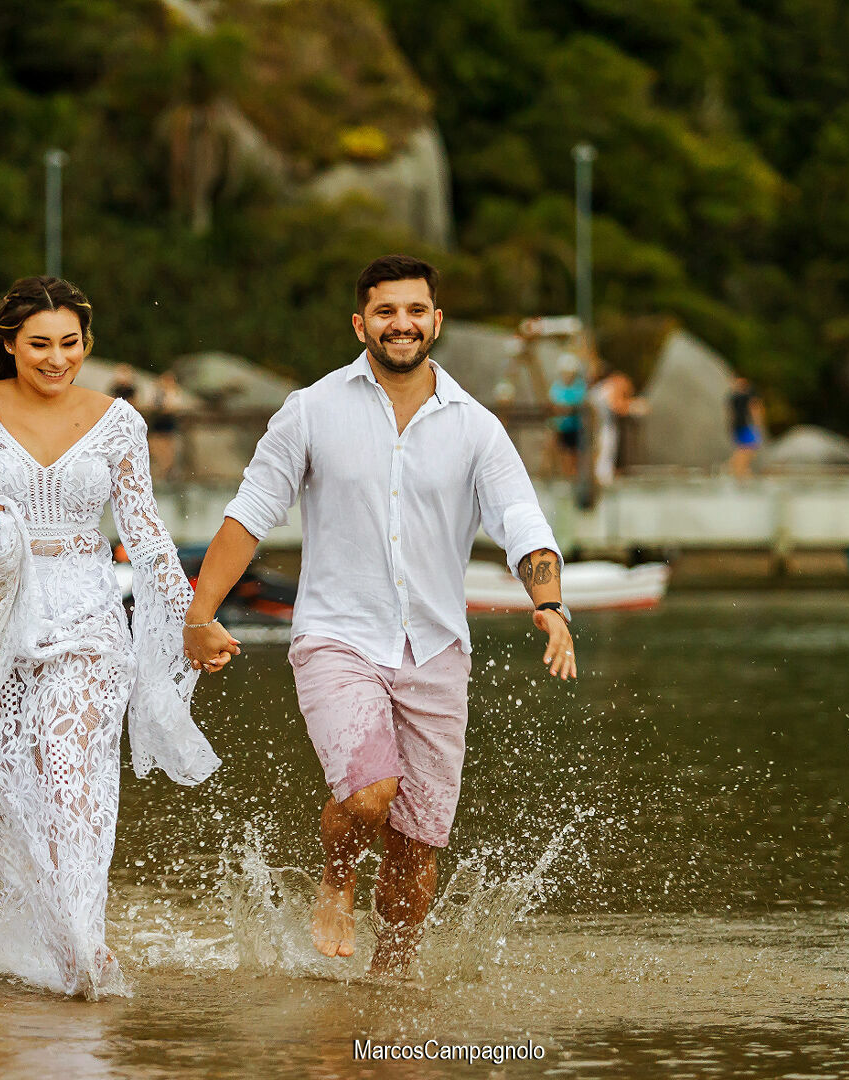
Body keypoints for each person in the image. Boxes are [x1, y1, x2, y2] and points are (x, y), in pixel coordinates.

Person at [184, 255, 576, 977]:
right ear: (361, 323)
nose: (403, 323)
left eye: (416, 310)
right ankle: (336, 881)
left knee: (416, 844)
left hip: (435, 650)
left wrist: (547, 603)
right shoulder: (311, 409)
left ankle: (388, 984)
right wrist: (198, 615)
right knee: (369, 794)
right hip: (338, 635)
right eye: (387, 311)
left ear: (435, 321)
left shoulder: (474, 426)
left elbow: (519, 517)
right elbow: (251, 513)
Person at [0, 276, 221, 999]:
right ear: (9, 344)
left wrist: (194, 615)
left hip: (88, 612)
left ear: (85, 345)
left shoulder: (119, 421)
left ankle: (80, 937)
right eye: (40, 345)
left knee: (72, 777)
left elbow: (145, 531)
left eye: (70, 344)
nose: (56, 359)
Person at [588, 360, 646, 488]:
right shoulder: (616, 384)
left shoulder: (604, 386)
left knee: (605, 446)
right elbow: (616, 406)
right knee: (606, 445)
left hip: (599, 423)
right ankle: (603, 476)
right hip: (600, 424)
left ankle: (603, 475)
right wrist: (633, 407)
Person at [547, 354, 586, 479]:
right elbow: (554, 405)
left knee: (575, 455)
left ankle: (574, 478)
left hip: (576, 427)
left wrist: (566, 409)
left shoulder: (579, 386)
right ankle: (566, 477)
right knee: (563, 454)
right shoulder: (557, 386)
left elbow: (580, 403)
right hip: (561, 427)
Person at [147, 371, 187, 482]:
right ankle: (162, 470)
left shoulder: (174, 393)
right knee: (155, 446)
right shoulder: (158, 393)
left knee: (168, 448)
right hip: (158, 422)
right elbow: (153, 404)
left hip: (168, 422)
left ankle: (167, 472)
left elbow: (173, 407)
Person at [728, 375, 765, 479]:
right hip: (745, 424)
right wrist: (758, 424)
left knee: (743, 448)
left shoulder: (732, 397)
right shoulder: (748, 396)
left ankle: (739, 470)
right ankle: (738, 470)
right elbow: (754, 410)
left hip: (735, 425)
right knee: (748, 448)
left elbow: (731, 414)